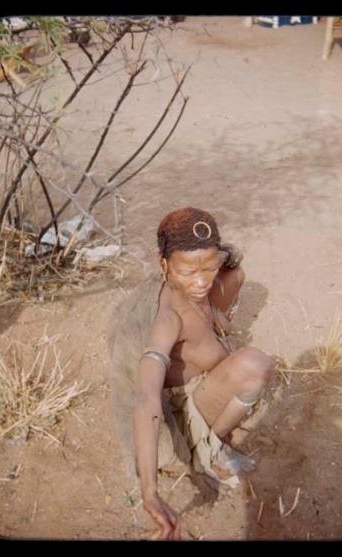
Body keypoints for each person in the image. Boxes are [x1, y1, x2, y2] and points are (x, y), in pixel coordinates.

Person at [108, 207, 274, 540]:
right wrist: (150, 490)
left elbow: (225, 266)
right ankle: (209, 450)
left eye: (209, 267)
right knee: (255, 365)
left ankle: (215, 318)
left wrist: (214, 287)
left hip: (203, 359)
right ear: (163, 264)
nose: (201, 281)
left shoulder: (198, 283)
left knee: (236, 277)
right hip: (186, 407)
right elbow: (145, 396)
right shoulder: (167, 319)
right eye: (188, 272)